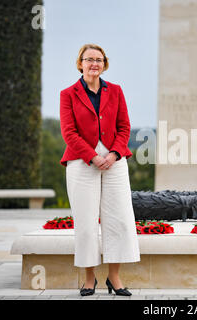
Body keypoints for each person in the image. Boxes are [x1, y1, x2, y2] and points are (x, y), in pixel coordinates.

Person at [59, 43, 140, 296]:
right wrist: (93, 157)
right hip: (82, 163)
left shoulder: (115, 91)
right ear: (80, 63)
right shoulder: (68, 94)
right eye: (89, 59)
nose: (94, 63)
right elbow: (69, 132)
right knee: (85, 222)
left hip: (115, 162)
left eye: (99, 59)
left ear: (104, 64)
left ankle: (114, 277)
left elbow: (125, 127)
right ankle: (89, 278)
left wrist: (114, 153)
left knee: (120, 220)